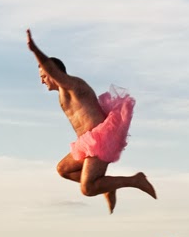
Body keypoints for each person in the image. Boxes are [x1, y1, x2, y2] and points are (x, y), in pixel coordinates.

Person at [27, 29, 156, 213]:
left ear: (54, 74)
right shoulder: (63, 94)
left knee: (87, 188)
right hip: (87, 142)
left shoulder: (72, 85)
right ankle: (106, 185)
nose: (42, 81)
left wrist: (35, 51)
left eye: (43, 76)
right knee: (63, 169)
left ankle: (135, 180)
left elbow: (50, 67)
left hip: (101, 139)